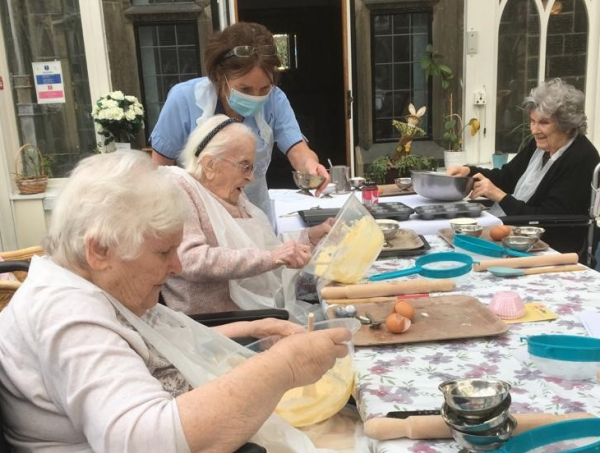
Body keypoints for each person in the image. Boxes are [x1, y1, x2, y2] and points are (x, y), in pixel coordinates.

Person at [0, 151, 352, 453]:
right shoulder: (66, 315)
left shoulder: (91, 283)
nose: (177, 266)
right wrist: (284, 366)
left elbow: (155, 345)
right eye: (164, 251)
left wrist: (253, 327)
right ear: (100, 250)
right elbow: (143, 440)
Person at [150, 22, 330, 221]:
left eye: (264, 89)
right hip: (199, 216)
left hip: (254, 213)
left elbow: (298, 150)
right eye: (245, 89)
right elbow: (160, 169)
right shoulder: (183, 99)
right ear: (220, 76)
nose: (256, 97)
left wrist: (311, 166)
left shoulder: (275, 100)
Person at [161, 115, 334, 323]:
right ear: (209, 164)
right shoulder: (179, 188)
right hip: (216, 327)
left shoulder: (235, 196)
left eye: (251, 167)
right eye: (244, 166)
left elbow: (264, 246)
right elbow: (189, 259)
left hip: (255, 313)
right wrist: (271, 258)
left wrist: (311, 237)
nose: (250, 177)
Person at [447, 78, 600, 254]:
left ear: (566, 126)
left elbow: (547, 218)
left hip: (554, 247)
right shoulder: (539, 146)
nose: (534, 130)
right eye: (532, 121)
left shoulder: (581, 158)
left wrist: (499, 196)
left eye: (543, 122)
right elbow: (507, 177)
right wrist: (469, 171)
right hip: (521, 235)